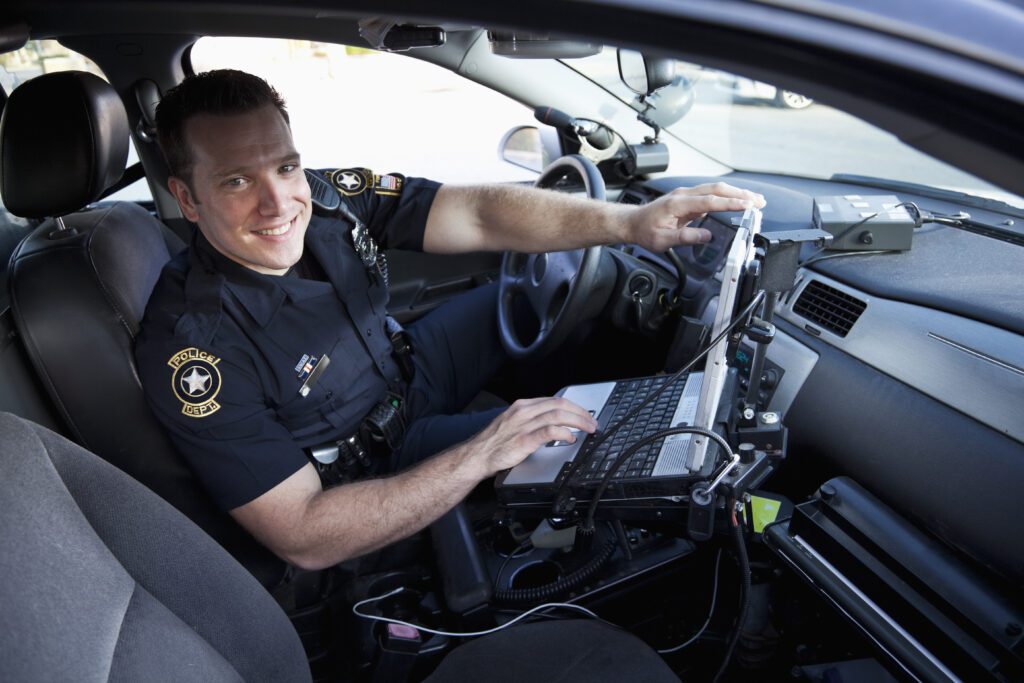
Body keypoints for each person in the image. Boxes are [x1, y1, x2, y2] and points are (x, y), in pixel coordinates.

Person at [135, 69, 765, 571]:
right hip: (375, 465)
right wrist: (484, 452)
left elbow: (479, 214)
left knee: (528, 297)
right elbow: (303, 533)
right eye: (238, 181)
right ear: (187, 199)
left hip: (410, 369)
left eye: (286, 165)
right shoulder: (193, 351)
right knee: (594, 442)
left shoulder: (326, 197)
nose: (278, 203)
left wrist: (630, 223)